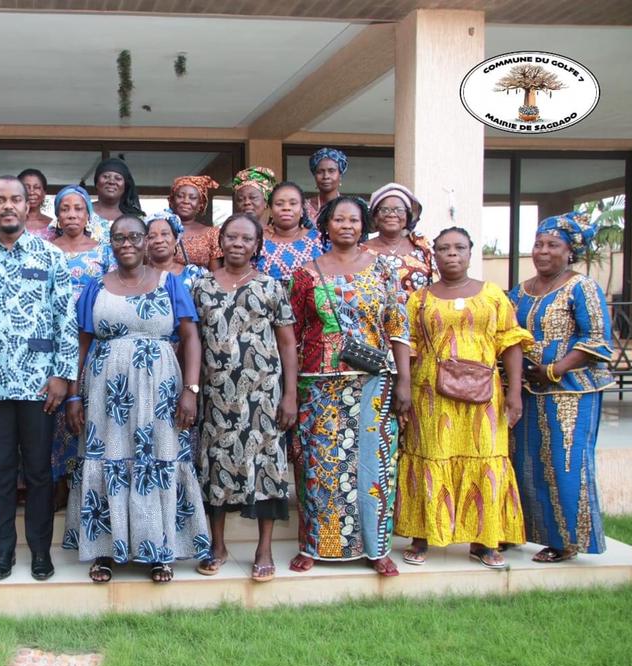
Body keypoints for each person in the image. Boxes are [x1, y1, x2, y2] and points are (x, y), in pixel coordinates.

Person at [63, 215, 211, 583]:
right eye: (118, 237)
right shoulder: (95, 287)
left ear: (147, 241)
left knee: (158, 458)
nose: (126, 243)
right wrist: (73, 397)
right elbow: (81, 344)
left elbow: (191, 339)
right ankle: (104, 552)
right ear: (110, 243)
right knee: (108, 459)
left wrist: (190, 391)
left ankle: (160, 551)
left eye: (134, 236)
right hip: (105, 392)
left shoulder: (170, 283)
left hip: (160, 390)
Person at [0, 175, 78, 582]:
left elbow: (66, 320)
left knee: (39, 471)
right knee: (0, 471)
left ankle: (41, 552)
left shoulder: (51, 256)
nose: (7, 206)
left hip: (40, 384)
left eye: (15, 199)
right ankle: (3, 552)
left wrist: (62, 375)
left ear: (28, 206)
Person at [395, 227, 532, 569]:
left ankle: (483, 542)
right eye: (443, 249)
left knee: (485, 458)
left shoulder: (493, 296)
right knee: (429, 456)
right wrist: (404, 388)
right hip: (430, 395)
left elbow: (511, 343)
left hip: (484, 395)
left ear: (471, 252)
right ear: (434, 256)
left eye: (459, 248)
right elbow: (407, 347)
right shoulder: (419, 299)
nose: (451, 254)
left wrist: (514, 391)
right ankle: (422, 536)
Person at [288, 196, 410, 577]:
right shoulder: (305, 273)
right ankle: (313, 545)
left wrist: (404, 379)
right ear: (325, 225)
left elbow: (397, 326)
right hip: (319, 383)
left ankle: (377, 549)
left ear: (363, 225)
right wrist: (290, 389)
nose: (346, 225)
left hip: (373, 382)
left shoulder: (384, 270)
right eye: (338, 219)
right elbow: (291, 335)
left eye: (353, 220)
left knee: (373, 467)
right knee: (319, 466)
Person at [192, 213, 297, 582]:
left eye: (246, 239)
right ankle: (217, 545)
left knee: (265, 466)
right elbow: (193, 342)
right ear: (220, 242)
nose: (237, 244)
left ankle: (263, 549)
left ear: (257, 245)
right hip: (217, 394)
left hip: (263, 395)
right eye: (231, 238)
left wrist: (290, 396)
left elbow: (287, 343)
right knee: (217, 463)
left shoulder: (271, 286)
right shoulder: (201, 287)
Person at [509, 212, 613, 563]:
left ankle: (567, 540)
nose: (543, 251)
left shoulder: (582, 288)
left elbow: (596, 340)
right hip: (525, 389)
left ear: (570, 251)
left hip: (571, 390)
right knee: (523, 461)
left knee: (564, 462)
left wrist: (554, 369)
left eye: (553, 245)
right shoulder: (520, 290)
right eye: (538, 244)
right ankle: (522, 531)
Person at [50, 185, 115, 498]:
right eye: (65, 208)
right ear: (57, 215)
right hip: (51, 344)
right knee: (53, 413)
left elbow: (114, 292)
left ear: (89, 215)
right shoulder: (44, 249)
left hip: (92, 344)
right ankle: (58, 483)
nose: (72, 214)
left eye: (78, 208)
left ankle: (87, 485)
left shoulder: (104, 251)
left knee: (88, 412)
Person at [363, 182, 434, 294]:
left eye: (399, 210)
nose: (392, 214)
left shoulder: (422, 249)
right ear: (375, 217)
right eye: (384, 210)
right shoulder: (360, 251)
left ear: (407, 217)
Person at [257, 181, 324, 281]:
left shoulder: (319, 239)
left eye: (293, 203)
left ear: (302, 209)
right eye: (279, 204)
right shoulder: (257, 240)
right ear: (271, 210)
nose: (286, 208)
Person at [167, 175, 221, 268]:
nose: (186, 201)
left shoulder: (213, 234)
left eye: (192, 198)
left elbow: (215, 275)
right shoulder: (159, 230)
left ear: (200, 204)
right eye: (180, 196)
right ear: (172, 200)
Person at [144, 211, 206, 291]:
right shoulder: (136, 275)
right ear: (145, 242)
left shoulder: (194, 274)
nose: (159, 240)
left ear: (176, 239)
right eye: (152, 236)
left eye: (165, 234)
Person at [89, 157, 143, 242]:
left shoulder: (136, 217)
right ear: (96, 182)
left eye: (118, 178)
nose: (111, 181)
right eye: (106, 177)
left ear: (125, 186)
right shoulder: (83, 212)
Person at [304, 147, 347, 222]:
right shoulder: (303, 209)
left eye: (331, 171)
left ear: (340, 175)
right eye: (320, 171)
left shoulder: (350, 207)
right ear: (314, 176)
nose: (326, 176)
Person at [20, 168, 56, 242]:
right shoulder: (8, 223)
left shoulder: (53, 226)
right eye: (26, 187)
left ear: (44, 193)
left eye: (37, 187)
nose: (31, 192)